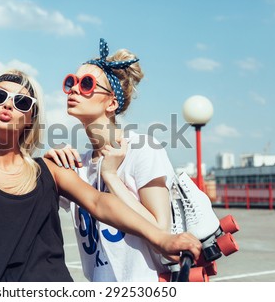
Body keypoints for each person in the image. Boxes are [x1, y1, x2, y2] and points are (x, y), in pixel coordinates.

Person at [0, 15, 200, 282]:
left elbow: (100, 203)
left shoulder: (51, 171)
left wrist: (163, 239)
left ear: (31, 118)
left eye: (21, 101)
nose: (8, 104)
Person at [45, 38, 179, 281]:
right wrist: (45, 169)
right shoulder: (79, 166)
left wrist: (111, 176)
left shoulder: (143, 149)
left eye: (86, 84)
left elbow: (161, 233)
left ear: (112, 103)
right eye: (71, 82)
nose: (74, 89)